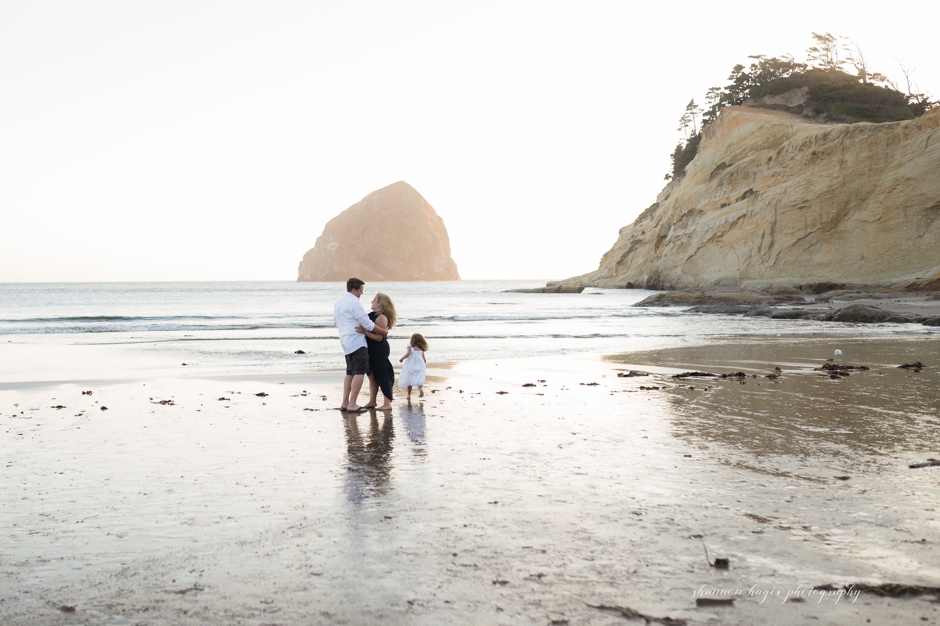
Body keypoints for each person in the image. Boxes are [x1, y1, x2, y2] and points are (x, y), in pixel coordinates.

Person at [333, 278, 386, 412]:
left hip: (345, 341)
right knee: (360, 371)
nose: (362, 293)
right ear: (354, 290)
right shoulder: (354, 303)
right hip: (357, 342)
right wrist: (384, 331)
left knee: (350, 371)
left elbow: (336, 322)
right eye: (361, 290)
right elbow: (367, 324)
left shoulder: (338, 303)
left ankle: (345, 403)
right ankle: (352, 404)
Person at [355, 292, 397, 411]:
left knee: (383, 374)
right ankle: (372, 401)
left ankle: (387, 403)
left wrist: (364, 332)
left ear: (380, 303)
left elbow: (379, 337)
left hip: (379, 349)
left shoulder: (381, 317)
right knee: (372, 376)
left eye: (374, 300)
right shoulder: (371, 315)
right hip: (370, 349)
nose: (371, 301)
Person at [398, 333, 428, 399]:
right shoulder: (421, 348)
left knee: (409, 379)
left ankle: (408, 395)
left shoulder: (410, 347)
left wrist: (402, 358)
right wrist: (423, 365)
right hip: (420, 365)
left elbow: (408, 354)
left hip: (411, 365)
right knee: (418, 378)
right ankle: (420, 389)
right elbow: (424, 359)